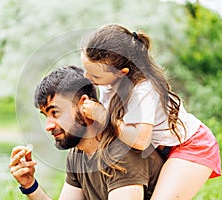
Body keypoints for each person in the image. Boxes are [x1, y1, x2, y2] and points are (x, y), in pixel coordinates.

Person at [80, 24, 222, 199]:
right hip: (159, 149)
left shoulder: (144, 89)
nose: (87, 78)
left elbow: (140, 140)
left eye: (95, 76)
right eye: (86, 70)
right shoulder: (108, 84)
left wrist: (104, 116)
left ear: (121, 73)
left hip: (191, 145)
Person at [9, 66, 164, 200]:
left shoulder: (122, 151)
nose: (48, 126)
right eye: (46, 116)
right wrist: (30, 185)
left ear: (83, 104)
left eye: (55, 113)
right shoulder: (78, 154)